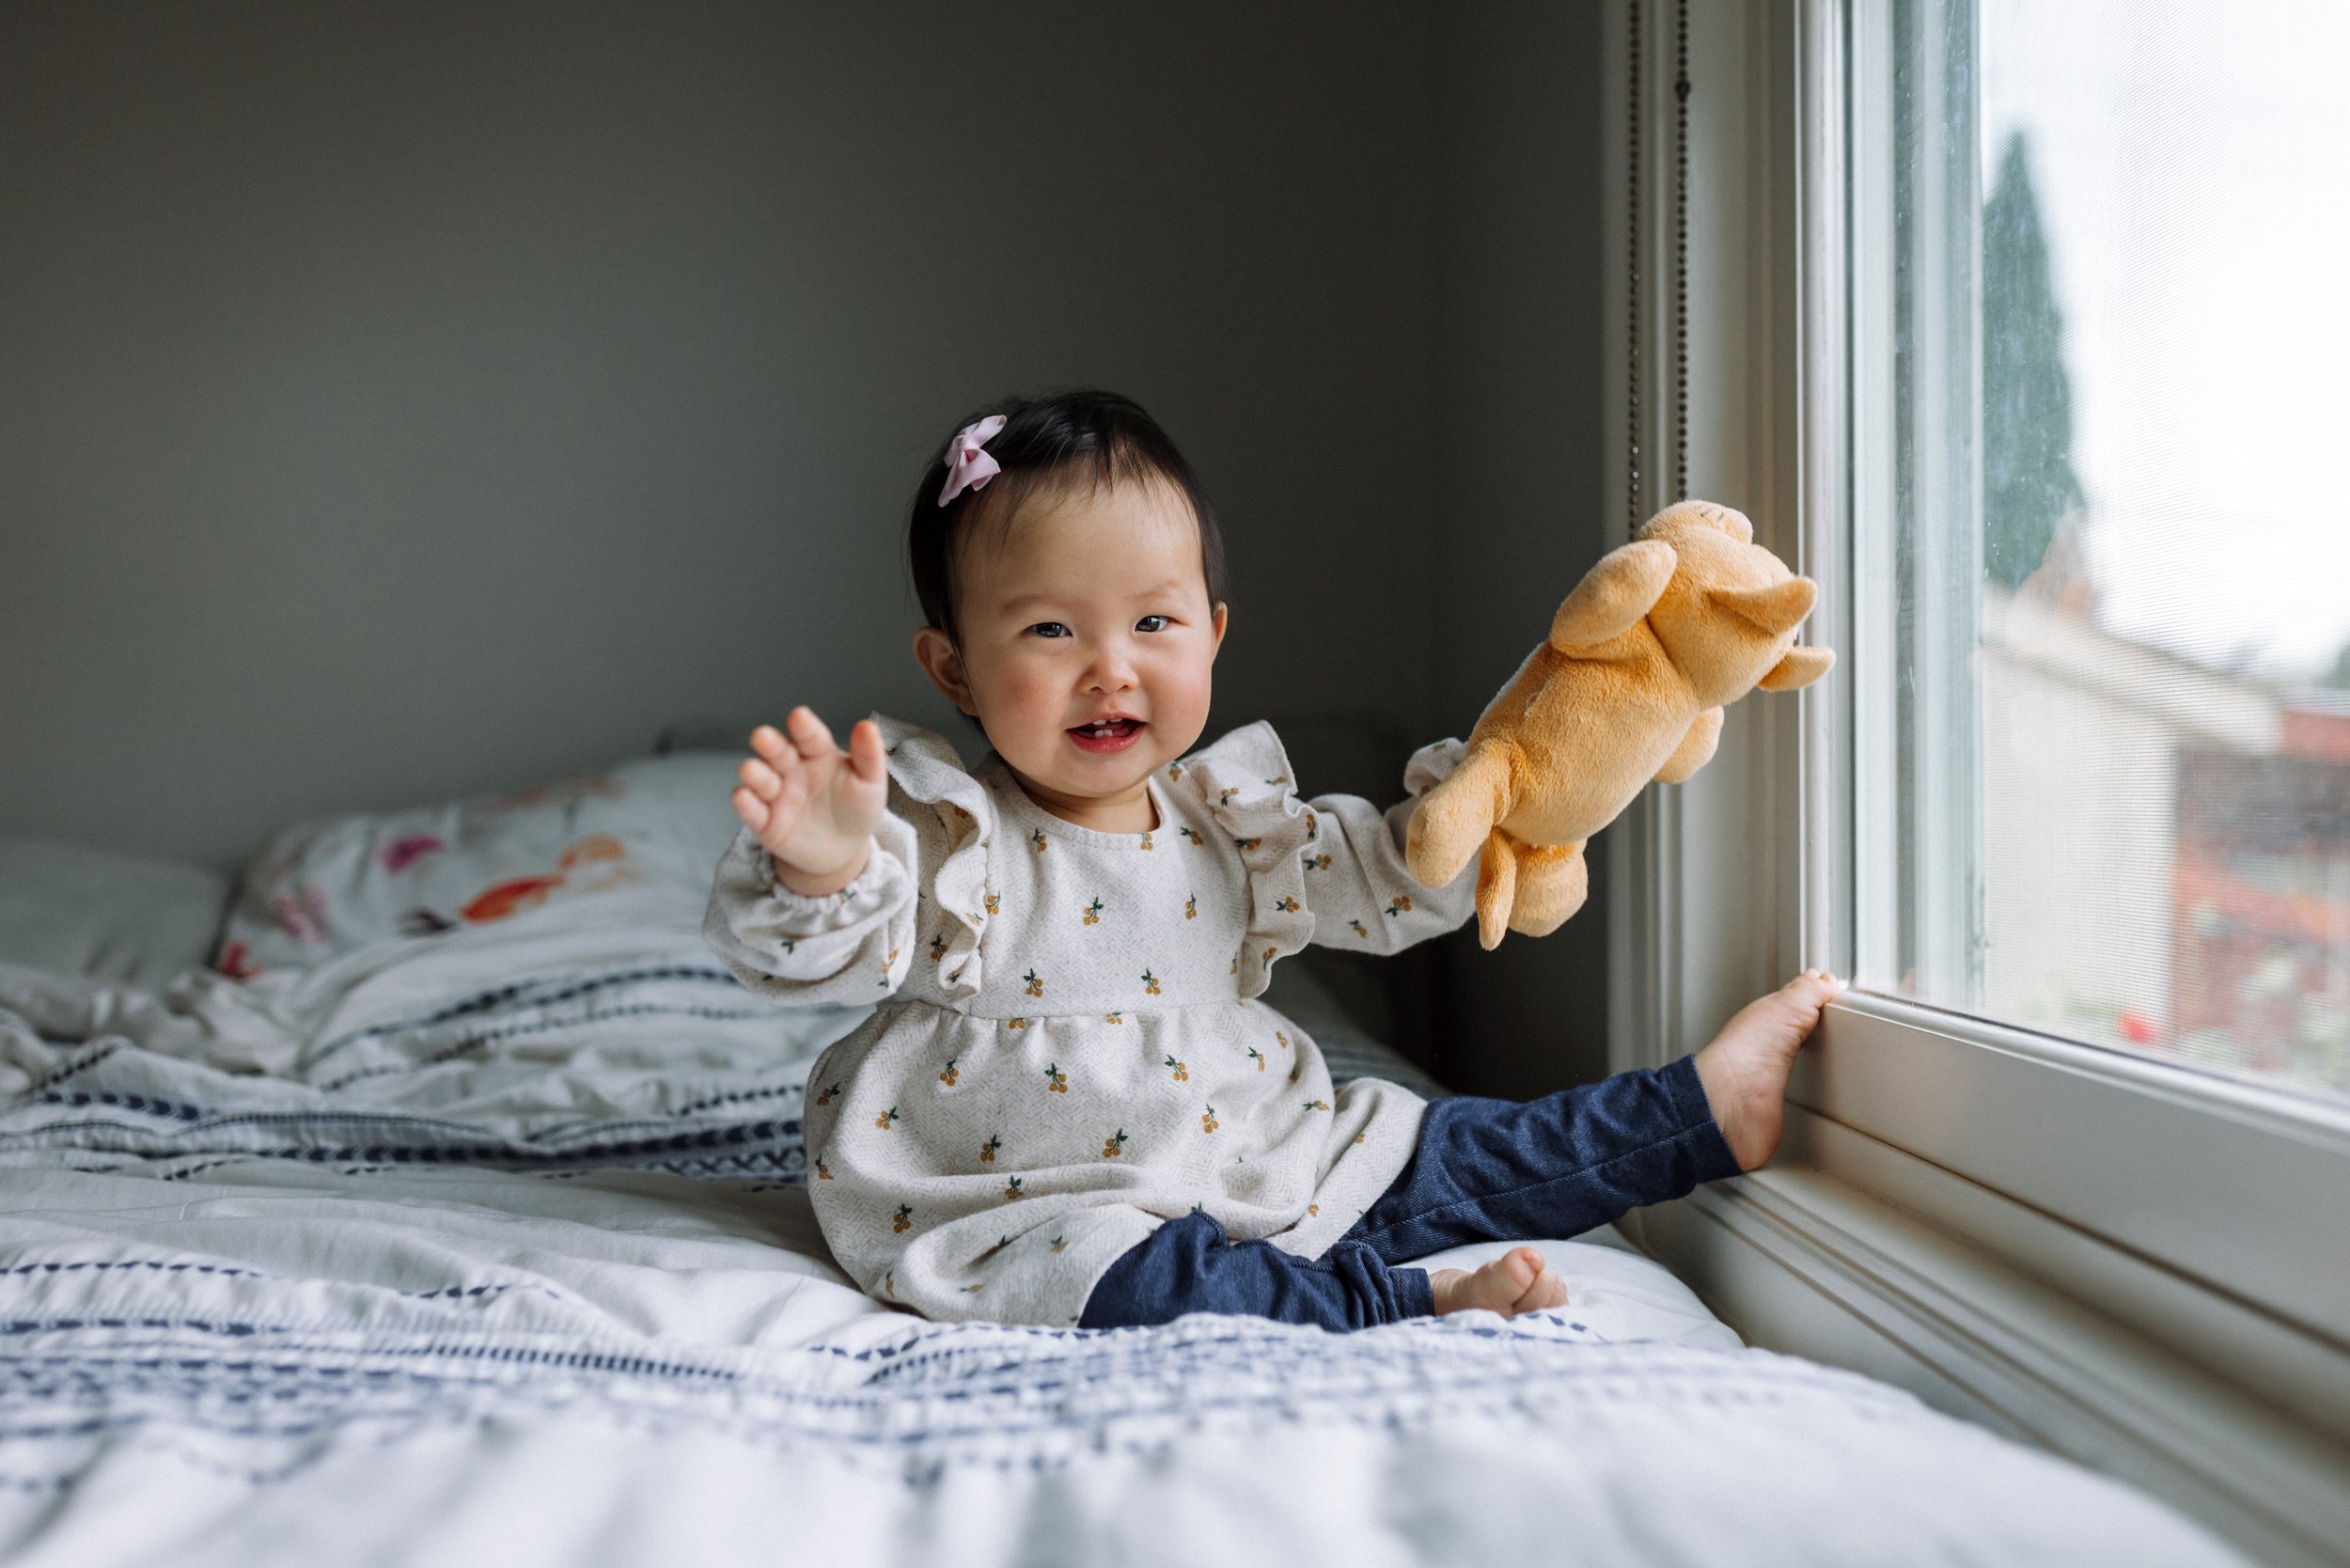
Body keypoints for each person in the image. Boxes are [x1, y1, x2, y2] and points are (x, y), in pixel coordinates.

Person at [704, 388, 1840, 1330]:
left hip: (1255, 1152)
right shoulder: (953, 836)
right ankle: (1387, 1303)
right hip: (1038, 1206)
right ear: (952, 669)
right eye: (1051, 630)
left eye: (1153, 624)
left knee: (1460, 1147)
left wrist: (1495, 802)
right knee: (1139, 1287)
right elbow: (828, 950)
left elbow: (1393, 877)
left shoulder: (1230, 820)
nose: (1110, 669)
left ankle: (1695, 1111)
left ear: (1213, 633)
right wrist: (823, 862)